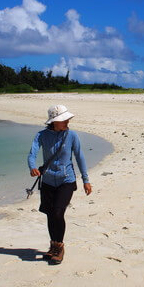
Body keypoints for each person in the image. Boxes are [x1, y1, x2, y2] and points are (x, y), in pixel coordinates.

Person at [28, 104, 92, 264]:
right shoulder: (41, 135)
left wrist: (86, 180)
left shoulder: (72, 136)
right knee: (50, 215)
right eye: (64, 120)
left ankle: (60, 246)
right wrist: (32, 167)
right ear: (54, 122)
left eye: (67, 119)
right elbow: (32, 153)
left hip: (66, 181)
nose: (67, 122)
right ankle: (53, 246)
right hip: (48, 181)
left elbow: (80, 157)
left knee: (58, 213)